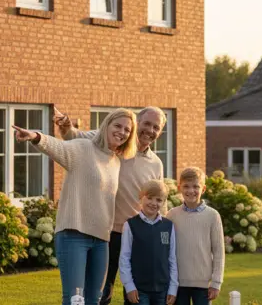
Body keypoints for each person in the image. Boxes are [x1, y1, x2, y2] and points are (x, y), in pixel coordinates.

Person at [12, 108, 138, 305]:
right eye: (118, 126)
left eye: (127, 130)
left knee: (93, 300)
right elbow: (56, 146)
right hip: (74, 235)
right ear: (106, 126)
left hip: (101, 241)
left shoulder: (116, 162)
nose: (122, 132)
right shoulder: (83, 148)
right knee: (75, 301)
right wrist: (35, 136)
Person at [55, 107, 166, 305]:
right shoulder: (112, 144)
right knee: (100, 294)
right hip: (107, 234)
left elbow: (159, 200)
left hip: (136, 236)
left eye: (156, 127)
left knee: (135, 295)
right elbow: (75, 136)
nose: (150, 130)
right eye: (147, 123)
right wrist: (65, 126)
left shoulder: (156, 163)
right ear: (136, 123)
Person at [165, 167, 225, 305]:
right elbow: (166, 249)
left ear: (203, 189)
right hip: (177, 283)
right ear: (180, 188)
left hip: (203, 284)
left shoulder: (212, 216)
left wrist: (216, 282)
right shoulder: (172, 215)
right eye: (186, 186)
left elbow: (218, 252)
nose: (191, 191)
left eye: (195, 187)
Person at [118, 179, 178, 305]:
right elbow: (124, 258)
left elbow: (172, 258)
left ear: (163, 202)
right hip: (138, 290)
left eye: (159, 200)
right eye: (150, 198)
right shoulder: (130, 225)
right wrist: (129, 286)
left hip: (163, 290)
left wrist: (173, 287)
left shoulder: (168, 226)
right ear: (141, 197)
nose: (153, 203)